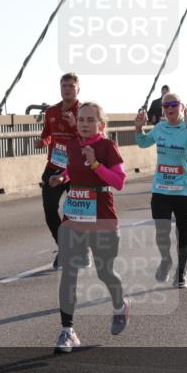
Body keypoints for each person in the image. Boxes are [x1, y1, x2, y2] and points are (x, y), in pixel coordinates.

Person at [49, 102, 129, 353]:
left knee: (105, 272)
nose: (83, 124)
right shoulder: (73, 145)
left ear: (101, 124)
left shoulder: (107, 146)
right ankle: (67, 330)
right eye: (81, 119)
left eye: (89, 120)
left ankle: (120, 304)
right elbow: (73, 172)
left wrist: (96, 165)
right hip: (74, 215)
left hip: (103, 217)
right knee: (69, 272)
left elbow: (119, 182)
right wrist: (62, 178)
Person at [134, 92, 187, 288]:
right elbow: (142, 142)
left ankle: (181, 272)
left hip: (184, 191)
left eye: (174, 104)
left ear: (182, 107)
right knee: (161, 231)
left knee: (183, 233)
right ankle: (166, 260)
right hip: (161, 190)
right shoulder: (160, 128)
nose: (170, 108)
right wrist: (139, 127)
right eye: (166, 105)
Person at [35, 73, 81, 268]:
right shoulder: (51, 111)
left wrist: (74, 125)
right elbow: (47, 134)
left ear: (78, 89)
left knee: (75, 212)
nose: (67, 89)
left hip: (77, 169)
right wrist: (42, 141)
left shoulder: (84, 111)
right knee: (49, 208)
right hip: (54, 167)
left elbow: (91, 138)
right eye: (63, 85)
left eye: (71, 85)